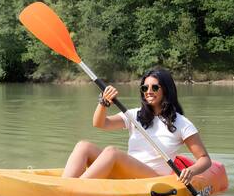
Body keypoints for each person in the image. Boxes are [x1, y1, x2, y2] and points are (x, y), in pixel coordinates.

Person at [62, 68, 211, 183]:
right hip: (128, 173)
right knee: (83, 146)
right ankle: (64, 186)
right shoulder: (135, 115)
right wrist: (104, 102)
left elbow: (204, 159)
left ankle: (75, 189)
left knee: (112, 152)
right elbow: (100, 123)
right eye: (145, 88)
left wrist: (191, 171)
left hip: (153, 179)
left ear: (166, 89)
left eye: (155, 88)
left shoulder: (182, 123)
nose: (149, 92)